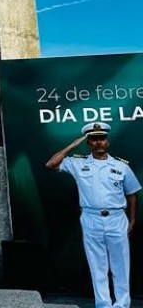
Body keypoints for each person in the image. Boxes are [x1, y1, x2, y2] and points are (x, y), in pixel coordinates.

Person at [46, 122, 140, 308]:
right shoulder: (78, 162)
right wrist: (72, 145)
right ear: (88, 143)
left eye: (102, 138)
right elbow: (51, 164)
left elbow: (132, 193)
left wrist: (132, 219)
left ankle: (122, 305)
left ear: (108, 142)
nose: (99, 143)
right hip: (91, 218)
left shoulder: (121, 166)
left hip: (116, 218)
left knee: (120, 265)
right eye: (94, 139)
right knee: (97, 266)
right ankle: (103, 304)